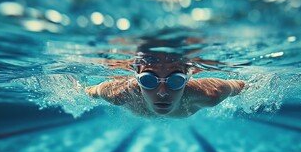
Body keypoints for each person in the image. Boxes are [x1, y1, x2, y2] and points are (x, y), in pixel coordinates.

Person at [85, 57, 245, 118]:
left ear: (188, 77)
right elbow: (90, 91)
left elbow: (241, 85)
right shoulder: (118, 93)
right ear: (136, 77)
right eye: (148, 80)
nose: (162, 92)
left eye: (175, 80)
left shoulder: (210, 94)